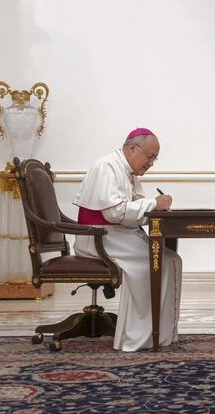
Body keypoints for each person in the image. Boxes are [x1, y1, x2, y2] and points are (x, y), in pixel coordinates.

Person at [72, 128, 182, 352]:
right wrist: (153, 204)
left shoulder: (124, 169)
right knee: (157, 263)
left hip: (115, 235)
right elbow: (114, 213)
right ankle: (136, 337)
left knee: (171, 260)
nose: (151, 163)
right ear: (133, 148)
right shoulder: (108, 166)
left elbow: (128, 209)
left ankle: (157, 334)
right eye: (150, 157)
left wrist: (154, 203)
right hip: (100, 237)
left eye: (154, 159)